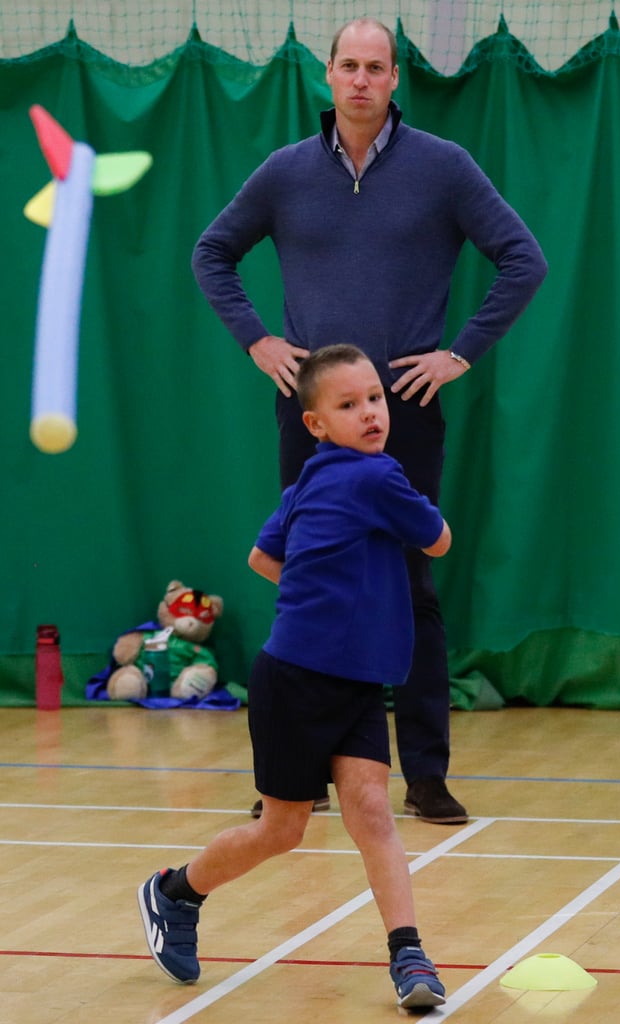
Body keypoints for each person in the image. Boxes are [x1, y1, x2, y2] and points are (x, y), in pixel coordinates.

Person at [191, 17, 548, 825]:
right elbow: (212, 251)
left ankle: (423, 773)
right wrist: (258, 340)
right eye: (347, 65)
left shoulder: (443, 168)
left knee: (411, 583)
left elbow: (523, 257)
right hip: (307, 414)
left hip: (407, 413)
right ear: (328, 76)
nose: (360, 79)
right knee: (306, 577)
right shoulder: (284, 173)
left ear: (394, 80)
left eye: (374, 67)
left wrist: (456, 353)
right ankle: (292, 776)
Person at [138, 345, 452, 1009]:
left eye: (374, 397)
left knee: (371, 810)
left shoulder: (308, 480)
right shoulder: (377, 479)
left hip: (357, 683)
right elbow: (438, 540)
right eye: (348, 405)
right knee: (281, 830)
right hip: (294, 682)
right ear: (315, 424)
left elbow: (261, 557)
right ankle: (175, 892)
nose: (370, 413)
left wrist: (340, 602)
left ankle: (409, 955)